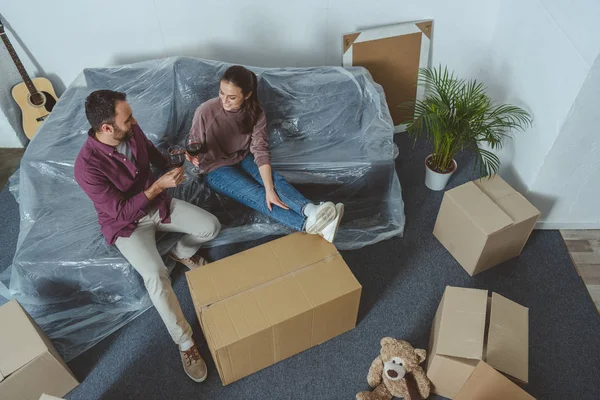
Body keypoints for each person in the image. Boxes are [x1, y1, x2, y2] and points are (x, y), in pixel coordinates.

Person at [74, 90, 220, 383]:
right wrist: (157, 187)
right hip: (127, 225)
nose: (134, 121)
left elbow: (149, 149)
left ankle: (183, 251)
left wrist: (170, 166)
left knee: (211, 226)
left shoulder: (130, 129)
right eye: (127, 119)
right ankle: (186, 343)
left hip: (157, 204)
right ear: (106, 128)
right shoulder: (86, 168)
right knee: (155, 276)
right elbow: (120, 212)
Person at [187, 65, 344, 242]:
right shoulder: (205, 111)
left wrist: (270, 188)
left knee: (273, 181)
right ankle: (310, 225)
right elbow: (194, 144)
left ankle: (312, 211)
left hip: (241, 157)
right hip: (214, 168)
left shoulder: (255, 112)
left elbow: (260, 150)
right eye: (221, 93)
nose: (224, 101)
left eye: (232, 97)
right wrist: (190, 153)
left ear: (247, 95)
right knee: (257, 195)